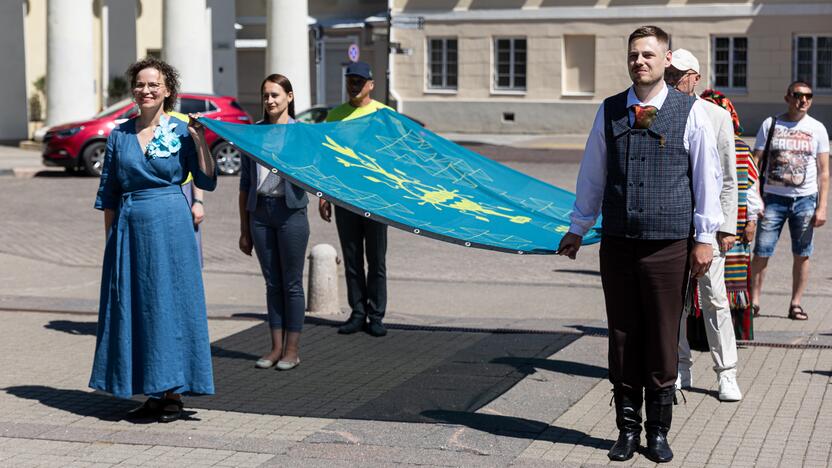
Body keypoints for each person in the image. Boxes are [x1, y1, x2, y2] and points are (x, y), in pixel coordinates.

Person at [557, 26, 723, 463]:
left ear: (666, 60)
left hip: (669, 244)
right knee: (623, 336)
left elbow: (707, 177)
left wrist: (704, 238)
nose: (639, 61)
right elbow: (592, 172)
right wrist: (578, 226)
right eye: (634, 54)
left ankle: (659, 431)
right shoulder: (611, 109)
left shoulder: (691, 111)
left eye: (648, 54)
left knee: (663, 337)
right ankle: (627, 429)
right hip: (617, 241)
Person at [91, 57, 217, 423]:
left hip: (172, 228)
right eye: (140, 84)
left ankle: (174, 392)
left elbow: (206, 180)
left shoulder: (180, 131)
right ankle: (152, 388)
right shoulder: (119, 135)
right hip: (130, 230)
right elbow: (109, 193)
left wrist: (200, 141)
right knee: (139, 307)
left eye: (153, 85)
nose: (146, 90)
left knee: (171, 305)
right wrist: (111, 244)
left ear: (167, 91)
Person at [664, 49, 742, 402]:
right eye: (670, 74)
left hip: (708, 227)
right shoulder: (657, 111)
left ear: (696, 77)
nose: (673, 80)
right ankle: (680, 366)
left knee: (715, 299)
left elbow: (729, 176)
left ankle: (727, 372)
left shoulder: (715, 115)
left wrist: (727, 226)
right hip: (671, 224)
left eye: (680, 75)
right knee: (674, 301)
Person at [238, 74, 310, 371]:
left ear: (289, 98)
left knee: (291, 284)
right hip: (260, 213)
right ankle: (275, 347)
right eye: (265, 95)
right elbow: (244, 183)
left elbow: (318, 171)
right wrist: (244, 229)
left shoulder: (301, 133)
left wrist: (324, 199)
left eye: (275, 95)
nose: (269, 101)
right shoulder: (252, 134)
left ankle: (292, 350)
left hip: (291, 212)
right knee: (272, 284)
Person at [318, 61, 394, 337]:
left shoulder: (384, 115)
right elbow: (328, 156)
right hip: (344, 198)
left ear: (371, 85)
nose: (354, 85)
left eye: (360, 81)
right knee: (352, 260)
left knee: (376, 260)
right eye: (351, 80)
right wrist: (324, 194)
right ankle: (357, 312)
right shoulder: (335, 115)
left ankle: (376, 315)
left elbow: (395, 158)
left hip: (376, 199)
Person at [750, 81, 829, 321]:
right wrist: (754, 199)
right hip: (772, 199)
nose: (803, 100)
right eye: (797, 95)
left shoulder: (817, 128)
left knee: (802, 253)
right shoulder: (771, 124)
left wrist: (822, 207)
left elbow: (824, 171)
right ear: (787, 98)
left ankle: (795, 303)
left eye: (808, 96)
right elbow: (754, 164)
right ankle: (753, 302)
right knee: (762, 252)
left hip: (805, 200)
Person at [698, 89, 764, 342]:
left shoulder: (739, 148)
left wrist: (751, 220)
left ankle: (731, 335)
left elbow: (750, 187)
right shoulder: (696, 140)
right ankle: (700, 336)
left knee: (728, 278)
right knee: (701, 277)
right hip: (702, 222)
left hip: (732, 223)